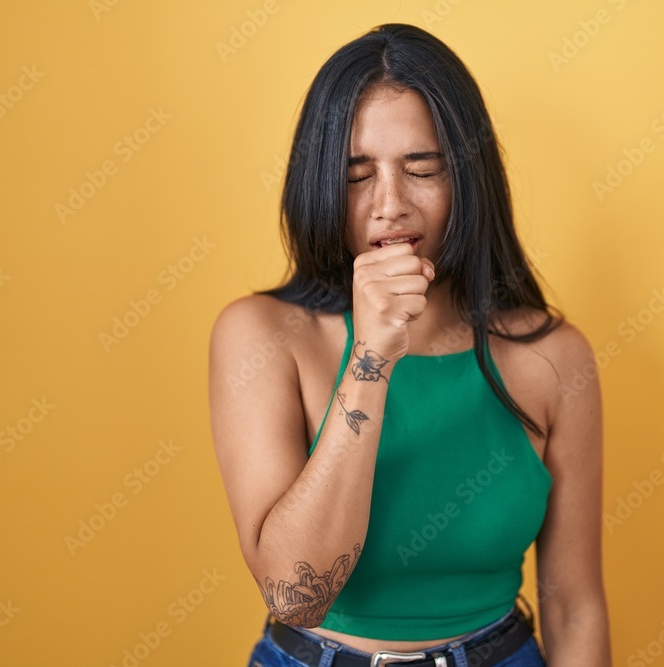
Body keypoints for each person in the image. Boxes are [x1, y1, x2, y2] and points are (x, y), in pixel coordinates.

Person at [210, 23, 610, 667]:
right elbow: (294, 593)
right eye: (356, 175)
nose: (389, 205)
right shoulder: (260, 336)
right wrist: (371, 357)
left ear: (469, 179)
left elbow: (574, 605)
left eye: (422, 169)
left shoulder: (555, 358)